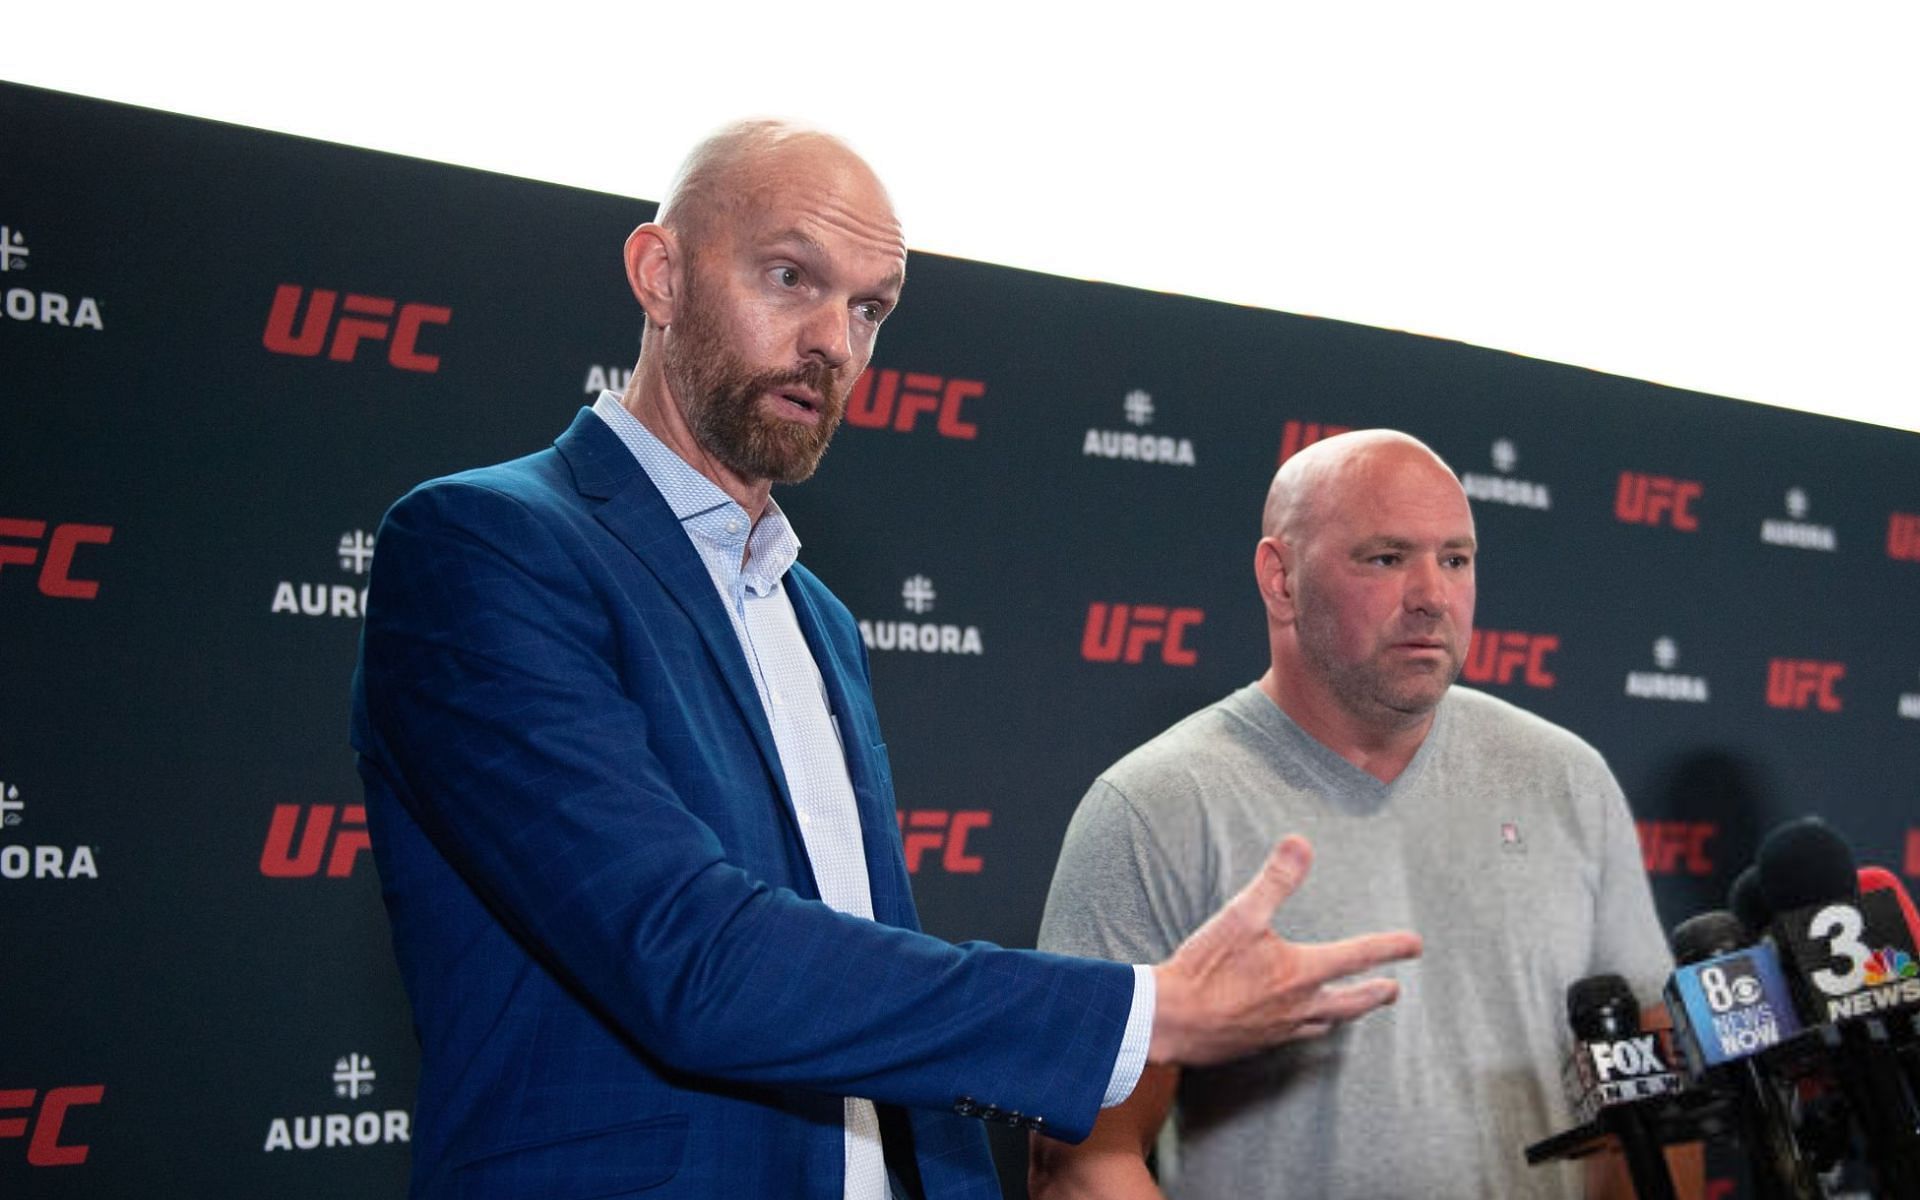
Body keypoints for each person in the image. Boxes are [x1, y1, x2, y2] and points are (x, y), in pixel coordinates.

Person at [349, 121, 1422, 1200]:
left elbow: (862, 974)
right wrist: (1150, 1010)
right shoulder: (488, 546)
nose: (834, 342)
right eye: (789, 276)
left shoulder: (815, 616)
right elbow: (688, 955)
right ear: (659, 274)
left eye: (869, 308)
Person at [1031, 430, 1680, 1199]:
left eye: (1455, 559)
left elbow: (1651, 1094)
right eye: (1385, 558)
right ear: (1281, 580)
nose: (1432, 596)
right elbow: (1082, 1159)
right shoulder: (1153, 808)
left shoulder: (1566, 778)